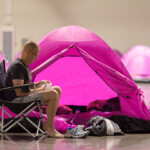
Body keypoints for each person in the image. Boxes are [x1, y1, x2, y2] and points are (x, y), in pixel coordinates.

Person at [4, 41, 64, 138]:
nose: (35, 58)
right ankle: (50, 129)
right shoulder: (17, 66)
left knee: (57, 89)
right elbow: (19, 92)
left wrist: (37, 84)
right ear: (28, 52)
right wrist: (39, 90)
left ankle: (47, 125)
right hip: (16, 101)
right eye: (35, 56)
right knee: (52, 94)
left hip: (22, 97)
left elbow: (25, 86)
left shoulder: (24, 65)